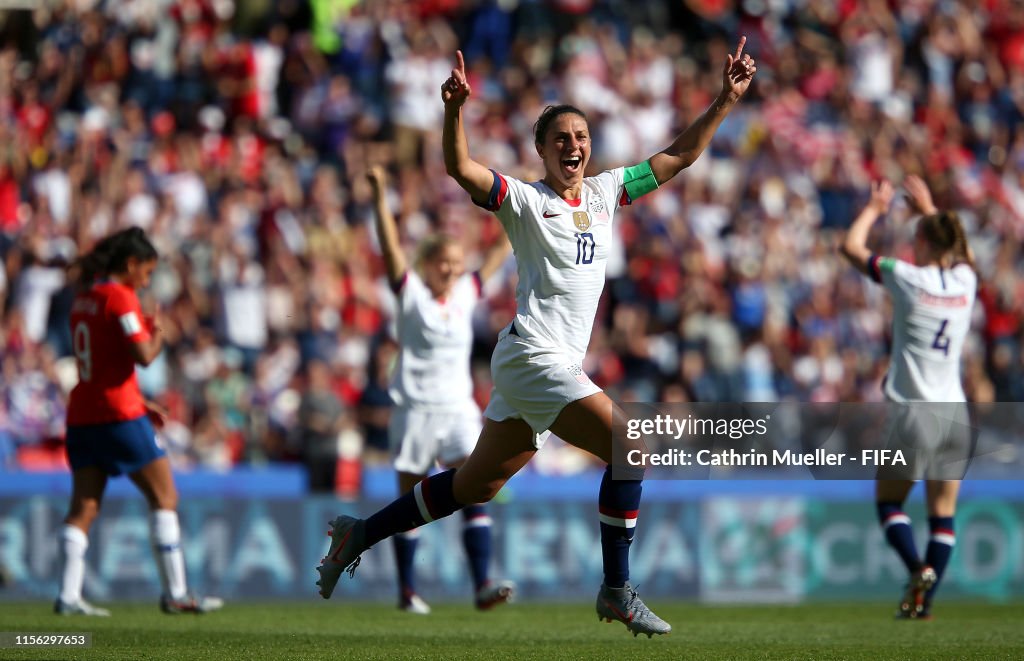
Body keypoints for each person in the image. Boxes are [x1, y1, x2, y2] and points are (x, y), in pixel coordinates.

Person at [317, 39, 756, 636]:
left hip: (539, 363)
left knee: (477, 484)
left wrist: (725, 101)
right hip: (533, 356)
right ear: (542, 151)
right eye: (561, 139)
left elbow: (677, 157)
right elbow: (459, 169)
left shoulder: (604, 193)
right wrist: (454, 112)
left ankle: (358, 533)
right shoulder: (525, 201)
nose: (573, 146)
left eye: (580, 137)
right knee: (634, 446)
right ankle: (617, 590)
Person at [366, 165, 514, 614]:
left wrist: (520, 207)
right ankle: (408, 591)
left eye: (455, 261)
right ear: (427, 264)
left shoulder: (467, 292)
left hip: (457, 410)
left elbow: (498, 252)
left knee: (475, 486)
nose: (451, 268)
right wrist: (378, 195)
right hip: (413, 408)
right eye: (443, 262)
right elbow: (390, 247)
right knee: (409, 500)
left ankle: (482, 583)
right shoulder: (410, 293)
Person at [57, 227, 223, 616]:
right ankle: (177, 594)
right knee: (164, 497)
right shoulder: (121, 297)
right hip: (118, 415)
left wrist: (139, 397)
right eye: (146, 273)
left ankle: (67, 596)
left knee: (83, 507)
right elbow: (144, 355)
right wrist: (158, 330)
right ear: (131, 265)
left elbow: (101, 364)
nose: (147, 281)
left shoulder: (83, 299)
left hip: (83, 414)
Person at [840, 176, 978, 619]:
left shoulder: (907, 277)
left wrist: (876, 207)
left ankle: (917, 569)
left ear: (921, 240)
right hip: (956, 414)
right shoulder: (965, 281)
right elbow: (962, 254)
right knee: (943, 515)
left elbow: (850, 246)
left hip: (913, 413)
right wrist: (930, 207)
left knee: (889, 501)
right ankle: (924, 603)